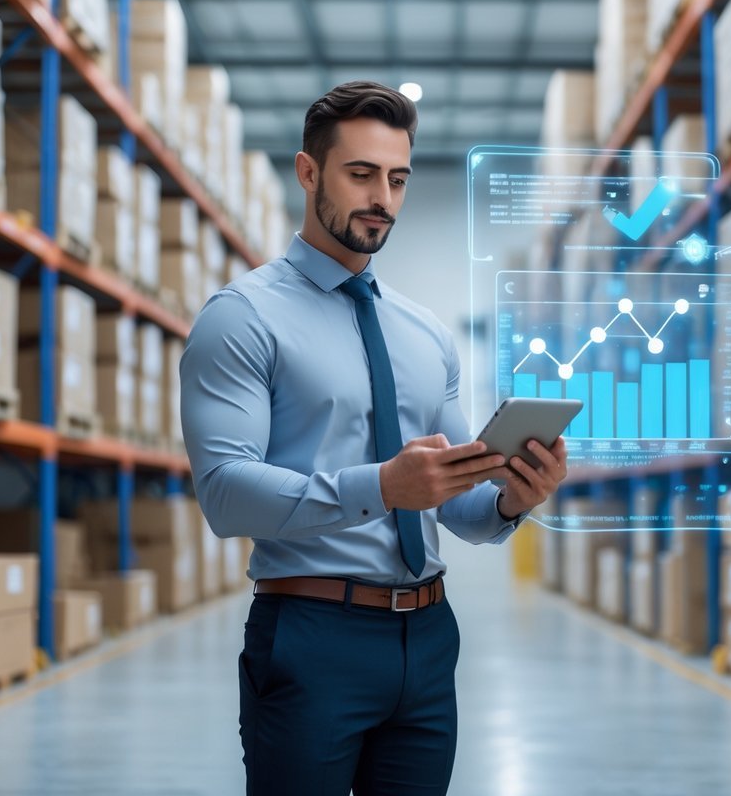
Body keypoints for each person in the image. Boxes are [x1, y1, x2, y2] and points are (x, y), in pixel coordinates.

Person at [180, 80, 568, 796]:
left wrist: (514, 499)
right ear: (308, 172)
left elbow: (457, 507)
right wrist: (382, 486)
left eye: (396, 179)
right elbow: (225, 495)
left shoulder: (423, 334)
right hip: (310, 632)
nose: (381, 198)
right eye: (360, 174)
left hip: (426, 640)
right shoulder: (241, 319)